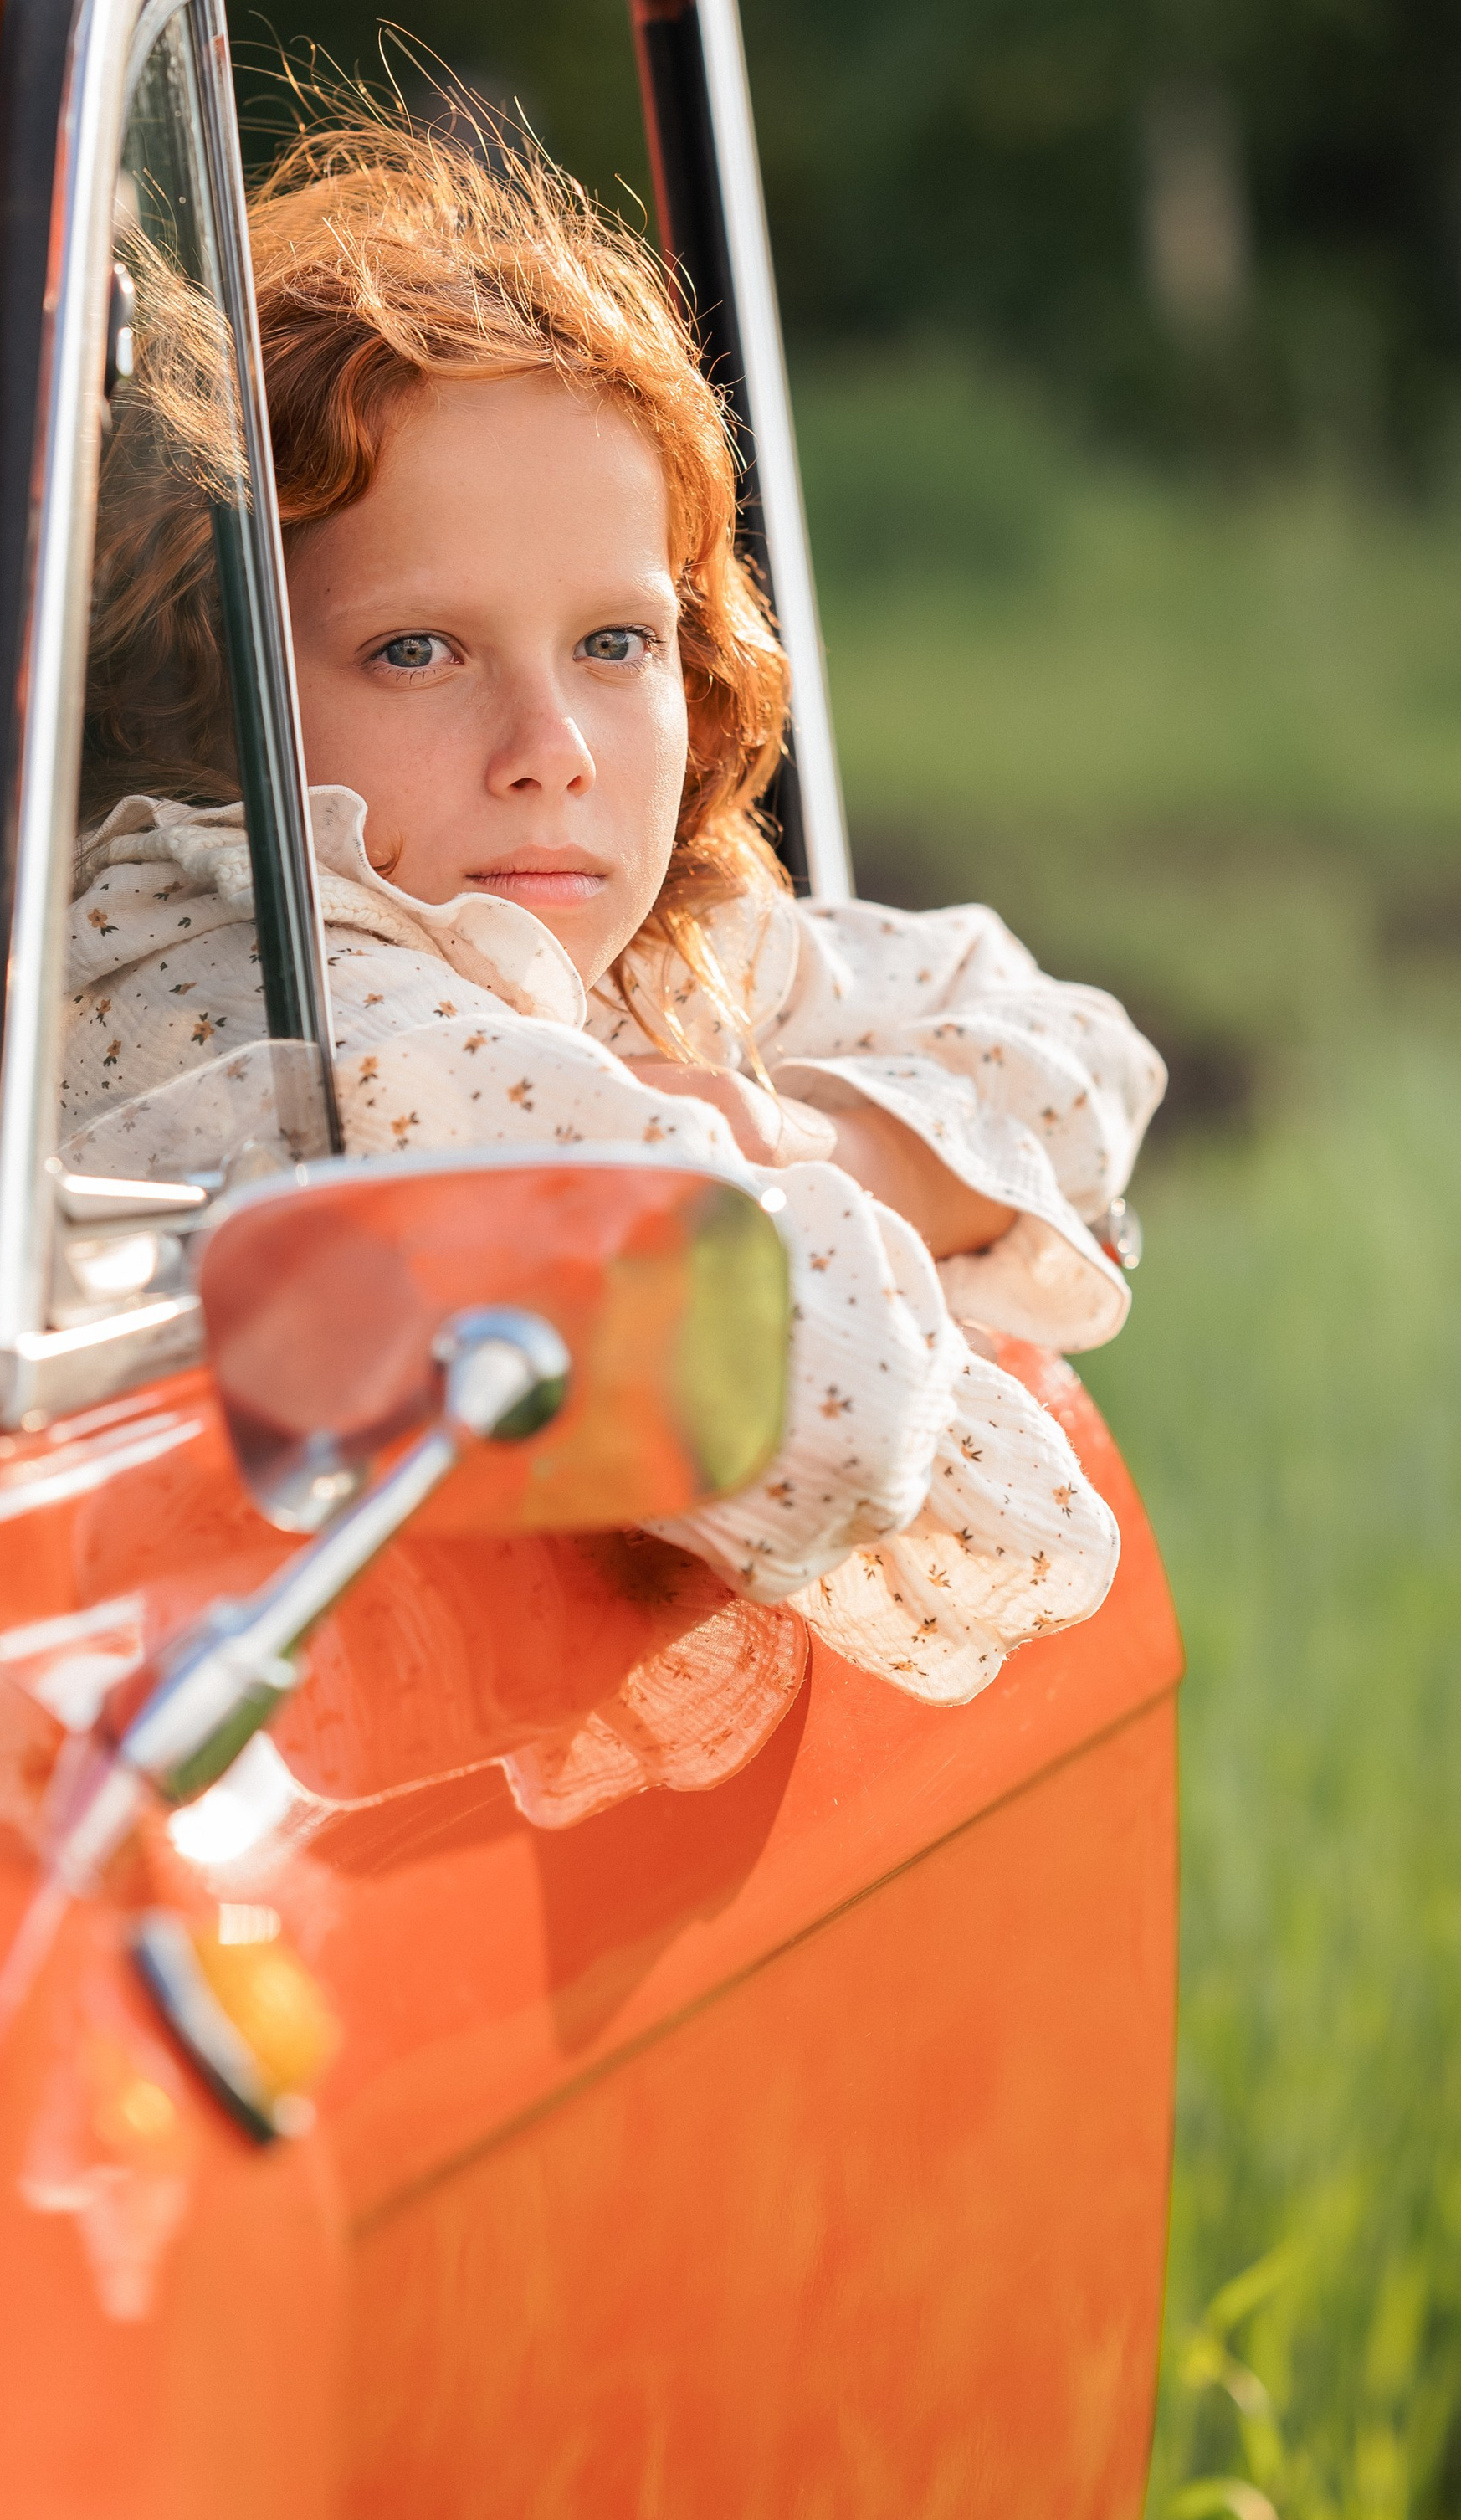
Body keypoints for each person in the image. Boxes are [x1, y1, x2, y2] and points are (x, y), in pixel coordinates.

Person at [62, 108, 1165, 1706]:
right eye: (416, 651)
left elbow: (1082, 1054)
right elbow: (846, 1394)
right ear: (211, 690)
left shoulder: (635, 948)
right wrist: (895, 1207)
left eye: (615, 644)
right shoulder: (251, 977)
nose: (550, 756)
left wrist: (786, 1140)